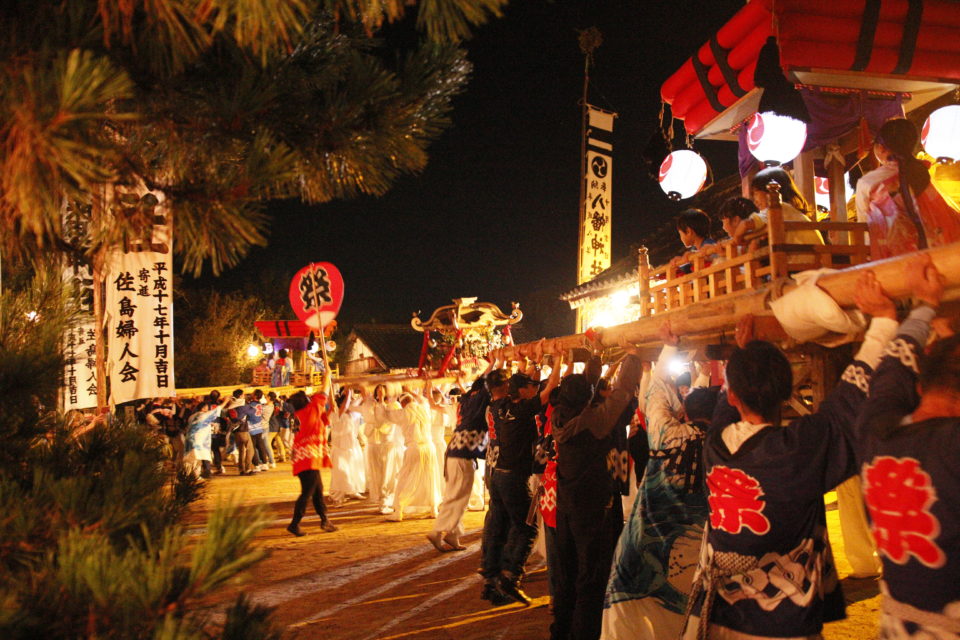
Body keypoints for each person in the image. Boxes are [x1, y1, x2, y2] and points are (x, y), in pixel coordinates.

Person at [680, 273, 900, 639]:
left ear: (733, 397)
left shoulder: (715, 444)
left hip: (719, 614)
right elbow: (851, 398)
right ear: (785, 393)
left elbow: (726, 400)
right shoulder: (797, 450)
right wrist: (886, 322)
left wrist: (742, 351)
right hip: (781, 620)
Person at [853, 254, 960, 637]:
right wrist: (923, 307)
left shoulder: (875, 433)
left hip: (897, 627)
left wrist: (923, 308)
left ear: (920, 387)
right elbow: (893, 372)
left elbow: (889, 374)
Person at [603, 326, 717, 640]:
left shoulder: (666, 433)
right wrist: (704, 374)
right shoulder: (722, 445)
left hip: (649, 533)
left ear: (685, 411)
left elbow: (655, 391)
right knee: (688, 610)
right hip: (695, 544)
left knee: (630, 605)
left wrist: (669, 349)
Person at [550, 344, 640, 640]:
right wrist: (634, 356)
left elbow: (585, 386)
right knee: (592, 577)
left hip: (567, 507)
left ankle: (560, 630)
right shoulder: (594, 421)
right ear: (587, 397)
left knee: (567, 574)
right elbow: (623, 391)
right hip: (592, 508)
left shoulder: (560, 416)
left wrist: (596, 358)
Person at [480, 344, 562, 607]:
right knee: (527, 527)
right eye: (530, 387)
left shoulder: (498, 405)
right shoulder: (525, 409)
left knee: (500, 526)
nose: (534, 388)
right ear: (522, 392)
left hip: (498, 477)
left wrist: (531, 362)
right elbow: (547, 391)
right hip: (514, 478)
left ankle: (491, 580)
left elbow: (527, 383)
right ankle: (511, 577)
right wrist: (558, 361)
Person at [856, 117, 960, 259]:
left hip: (894, 261)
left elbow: (865, 228)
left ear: (880, 147)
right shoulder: (922, 173)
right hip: (940, 256)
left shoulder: (868, 183)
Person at [428, 363, 503, 553]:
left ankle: (452, 534)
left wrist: (494, 364)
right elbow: (487, 382)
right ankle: (438, 531)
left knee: (455, 495)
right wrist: (496, 363)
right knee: (458, 497)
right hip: (463, 454)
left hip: (454, 452)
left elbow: (472, 387)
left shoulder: (466, 400)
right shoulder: (481, 399)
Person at [732, 167, 825, 267]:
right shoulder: (791, 211)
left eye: (755, 193)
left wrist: (736, 239)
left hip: (800, 265)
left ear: (768, 191)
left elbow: (745, 224)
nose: (754, 200)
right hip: (815, 262)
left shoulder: (777, 208)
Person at [384, 388, 441, 522]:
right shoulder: (424, 409)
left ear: (403, 404)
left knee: (404, 478)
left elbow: (386, 414)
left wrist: (383, 399)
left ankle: (398, 511)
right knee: (430, 479)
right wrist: (410, 390)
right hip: (429, 447)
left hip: (414, 448)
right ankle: (434, 509)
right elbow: (423, 400)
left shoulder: (403, 413)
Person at [287, 390, 338, 536]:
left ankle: (325, 520)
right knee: (308, 492)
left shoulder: (299, 414)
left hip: (303, 457)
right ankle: (294, 524)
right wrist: (327, 374)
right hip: (309, 457)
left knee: (317, 490)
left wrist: (328, 412)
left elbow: (318, 423)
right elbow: (323, 393)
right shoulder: (310, 410)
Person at [362, 384, 403, 514]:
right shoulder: (371, 405)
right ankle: (382, 501)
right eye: (378, 391)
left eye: (383, 390)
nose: (381, 393)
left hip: (388, 444)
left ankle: (387, 500)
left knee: (388, 475)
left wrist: (381, 402)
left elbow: (384, 420)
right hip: (374, 444)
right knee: (377, 474)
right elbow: (371, 420)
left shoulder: (394, 406)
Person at [328, 388, 366, 505]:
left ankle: (353, 491)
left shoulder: (353, 414)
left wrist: (360, 388)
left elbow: (362, 399)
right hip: (339, 448)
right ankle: (337, 497)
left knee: (354, 470)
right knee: (341, 473)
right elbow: (343, 406)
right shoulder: (336, 414)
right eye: (349, 401)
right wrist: (349, 393)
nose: (351, 403)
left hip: (352, 446)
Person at [669, 208, 717, 274]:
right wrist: (678, 264)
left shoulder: (709, 246)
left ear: (688, 231)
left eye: (680, 234)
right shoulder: (694, 250)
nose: (681, 238)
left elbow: (716, 258)